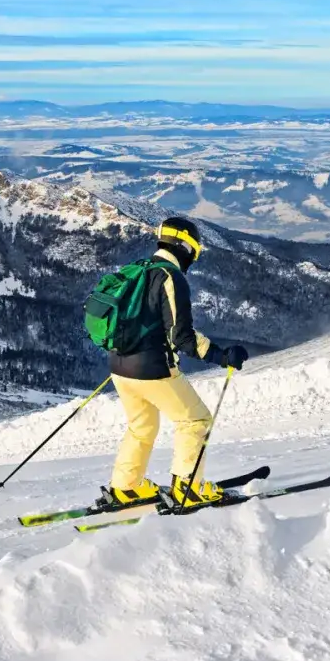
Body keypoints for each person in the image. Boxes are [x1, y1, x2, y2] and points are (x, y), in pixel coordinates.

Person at [98, 217, 249, 509]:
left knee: (141, 428)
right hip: (151, 370)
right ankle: (188, 490)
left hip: (119, 367)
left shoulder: (138, 270)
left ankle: (126, 488)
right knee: (195, 420)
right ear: (187, 246)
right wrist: (221, 355)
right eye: (195, 249)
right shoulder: (170, 277)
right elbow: (182, 336)